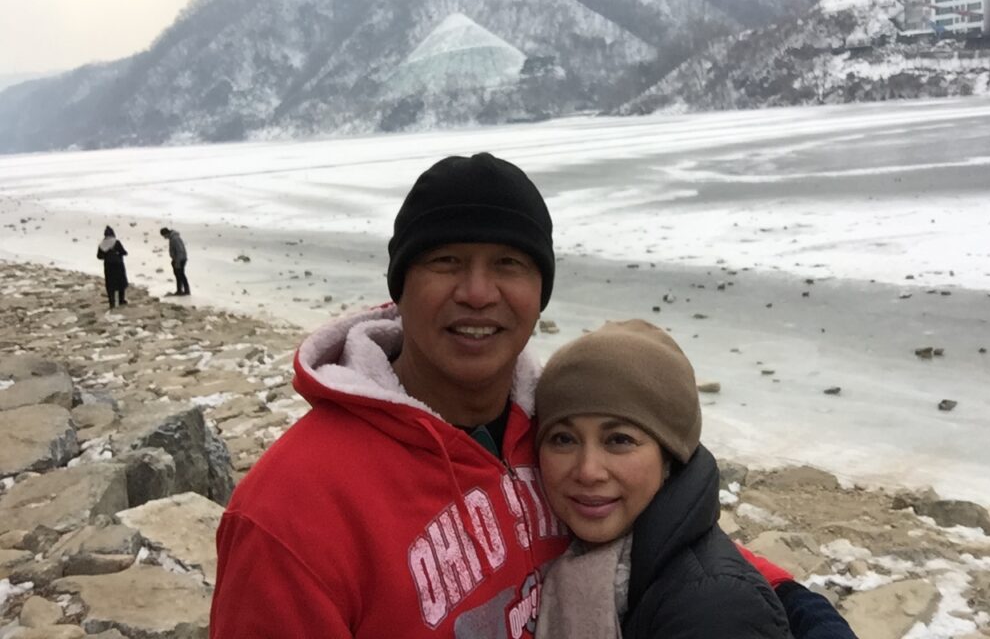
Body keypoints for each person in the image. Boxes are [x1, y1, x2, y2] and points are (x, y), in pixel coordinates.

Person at [210, 153, 854, 639]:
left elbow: (660, 530)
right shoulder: (291, 511)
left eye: (509, 265)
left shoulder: (556, 428)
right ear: (399, 287)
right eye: (446, 262)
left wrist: (795, 603)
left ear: (539, 293)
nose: (479, 292)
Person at [534, 320, 857, 639]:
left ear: (671, 456)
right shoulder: (599, 555)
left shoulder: (715, 609)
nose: (588, 471)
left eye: (619, 440)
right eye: (563, 439)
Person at [96, 225, 128, 308]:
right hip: (118, 265)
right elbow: (124, 252)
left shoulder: (102, 245)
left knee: (110, 285)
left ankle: (112, 303)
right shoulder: (116, 242)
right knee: (121, 283)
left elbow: (99, 256)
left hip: (108, 266)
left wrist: (107, 256)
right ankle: (121, 300)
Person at [159, 226, 189, 296]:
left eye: (164, 236)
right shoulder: (172, 238)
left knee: (181, 275)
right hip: (177, 259)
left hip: (180, 259)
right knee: (178, 275)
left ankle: (186, 291)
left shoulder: (175, 239)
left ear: (166, 233)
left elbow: (180, 251)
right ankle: (180, 290)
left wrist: (177, 262)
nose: (164, 238)